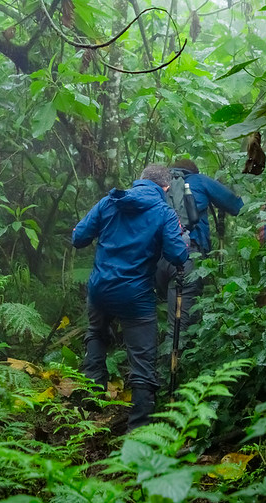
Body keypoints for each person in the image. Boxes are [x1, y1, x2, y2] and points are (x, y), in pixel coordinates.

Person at [72, 165, 188, 431]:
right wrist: (183, 239)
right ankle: (138, 429)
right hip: (135, 295)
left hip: (100, 288)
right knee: (142, 360)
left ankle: (91, 398)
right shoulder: (163, 212)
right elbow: (177, 256)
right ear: (166, 188)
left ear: (140, 180)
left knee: (96, 333)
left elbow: (78, 238)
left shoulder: (109, 201)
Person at [156, 159, 244, 370]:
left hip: (157, 261)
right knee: (181, 325)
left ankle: (165, 374)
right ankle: (171, 382)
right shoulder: (199, 181)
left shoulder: (159, 186)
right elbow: (236, 206)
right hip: (187, 257)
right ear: (193, 171)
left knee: (173, 318)